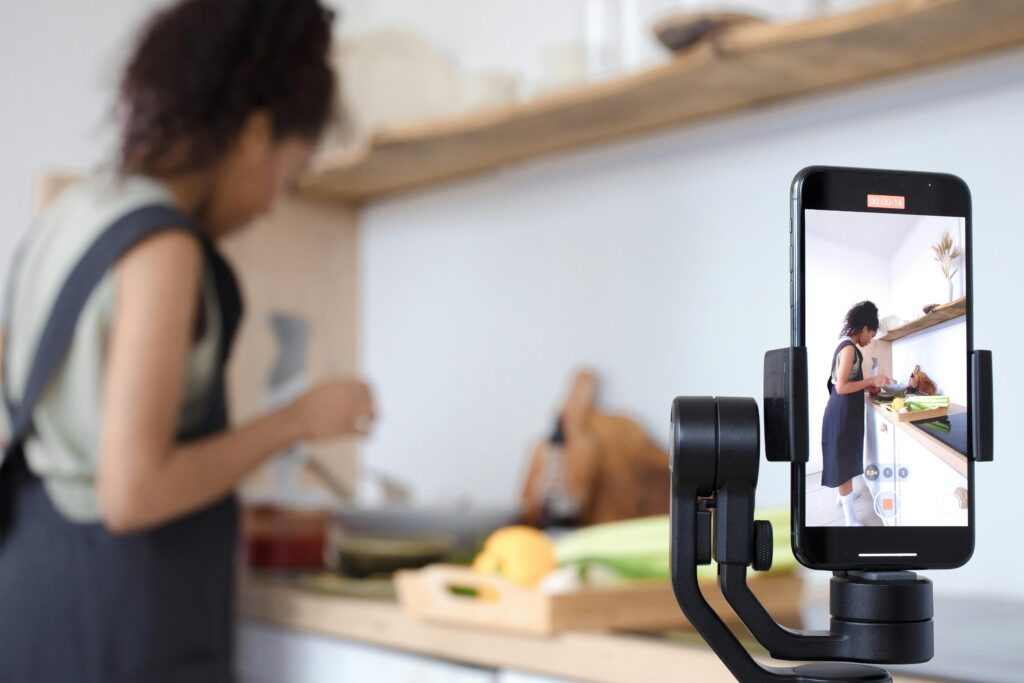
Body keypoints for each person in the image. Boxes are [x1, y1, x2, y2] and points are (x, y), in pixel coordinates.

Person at [0, 1, 373, 680]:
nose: (271, 203)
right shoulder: (162, 244)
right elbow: (132, 491)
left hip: (34, 594)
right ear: (254, 133)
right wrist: (298, 419)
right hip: (115, 617)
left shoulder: (70, 213)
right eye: (287, 177)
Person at [821, 300, 890, 527]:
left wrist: (866, 386)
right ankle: (850, 519)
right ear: (863, 328)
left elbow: (847, 383)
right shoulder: (850, 348)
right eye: (870, 334)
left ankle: (845, 497)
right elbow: (841, 387)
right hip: (841, 413)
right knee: (843, 461)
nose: (870, 340)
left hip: (841, 412)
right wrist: (872, 380)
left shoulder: (845, 344)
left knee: (845, 457)